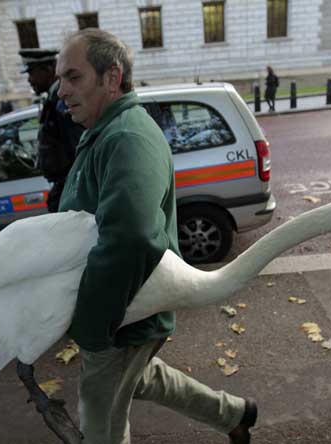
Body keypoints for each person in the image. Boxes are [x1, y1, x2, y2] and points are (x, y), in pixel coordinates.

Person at [56, 28, 257, 444]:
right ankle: (234, 414)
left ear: (112, 77)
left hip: (120, 320)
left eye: (73, 77)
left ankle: (234, 416)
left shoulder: (126, 137)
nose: (62, 91)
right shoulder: (106, 131)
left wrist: (91, 325)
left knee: (101, 428)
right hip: (124, 314)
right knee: (142, 379)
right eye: (61, 79)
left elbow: (129, 239)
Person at [19, 48, 84, 212]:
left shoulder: (62, 100)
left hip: (70, 185)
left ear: (48, 70)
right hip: (65, 184)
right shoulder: (53, 98)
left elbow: (78, 147)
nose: (29, 80)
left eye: (31, 73)